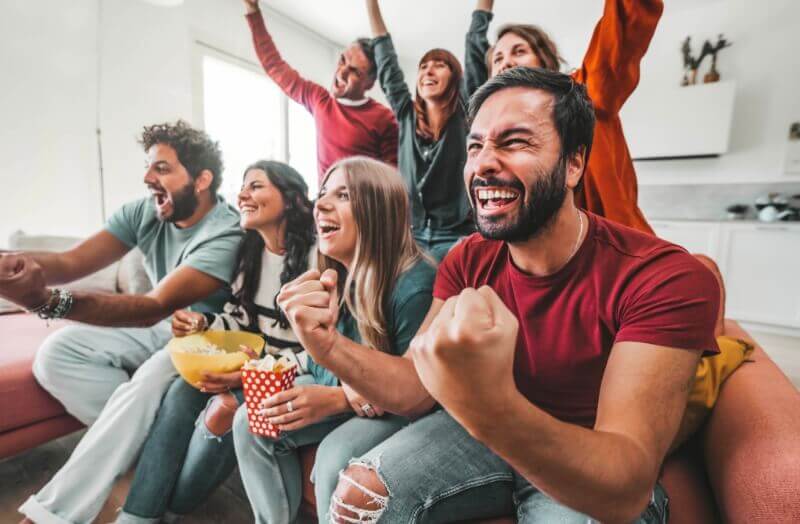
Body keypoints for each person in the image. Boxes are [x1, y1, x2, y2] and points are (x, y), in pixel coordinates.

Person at [283, 68, 720, 522]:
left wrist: (490, 405)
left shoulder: (664, 277)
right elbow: (414, 389)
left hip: (582, 448)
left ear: (574, 164)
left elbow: (625, 487)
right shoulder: (468, 259)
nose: (483, 163)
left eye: (514, 142)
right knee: (358, 495)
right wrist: (326, 344)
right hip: (479, 436)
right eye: (475, 146)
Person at [11, 121, 242, 524]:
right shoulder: (146, 211)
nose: (147, 177)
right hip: (162, 327)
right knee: (56, 354)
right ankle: (155, 447)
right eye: (149, 166)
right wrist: (12, 266)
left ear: (201, 179)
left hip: (209, 336)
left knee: (143, 387)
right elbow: (71, 262)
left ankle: (53, 514)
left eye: (163, 168)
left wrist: (46, 301)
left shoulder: (227, 231)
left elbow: (154, 305)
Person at [233, 156, 436, 523]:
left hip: (399, 415)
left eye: (343, 195)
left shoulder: (414, 286)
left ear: (379, 208)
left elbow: (419, 395)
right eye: (323, 193)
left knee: (334, 456)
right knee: (249, 419)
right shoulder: (335, 276)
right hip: (354, 400)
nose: (321, 204)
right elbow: (323, 360)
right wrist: (300, 370)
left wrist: (339, 398)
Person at [114, 161, 316, 524]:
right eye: (243, 187)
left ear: (289, 199)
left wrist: (247, 376)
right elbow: (241, 319)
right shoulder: (250, 252)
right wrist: (203, 323)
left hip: (287, 374)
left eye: (256, 186)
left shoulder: (318, 258)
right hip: (250, 361)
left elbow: (321, 350)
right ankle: (138, 515)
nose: (242, 195)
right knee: (179, 391)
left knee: (226, 407)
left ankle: (174, 508)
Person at [464, 0, 659, 234]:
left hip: (610, 250)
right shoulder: (490, 128)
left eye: (520, 51)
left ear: (545, 60)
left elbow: (626, 21)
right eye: (498, 58)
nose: (506, 62)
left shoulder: (584, 94)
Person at [365, 0, 476, 261]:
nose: (428, 70)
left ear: (455, 78)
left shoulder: (465, 115)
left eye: (439, 64)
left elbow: (474, 46)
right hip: (409, 235)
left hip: (456, 236)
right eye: (423, 66)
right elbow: (386, 61)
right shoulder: (406, 114)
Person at [243, 0, 398, 182]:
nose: (342, 72)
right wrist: (253, 10)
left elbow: (392, 179)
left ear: (369, 83)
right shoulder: (320, 100)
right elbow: (274, 66)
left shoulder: (383, 118)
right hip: (325, 205)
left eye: (354, 71)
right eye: (342, 60)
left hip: (364, 208)